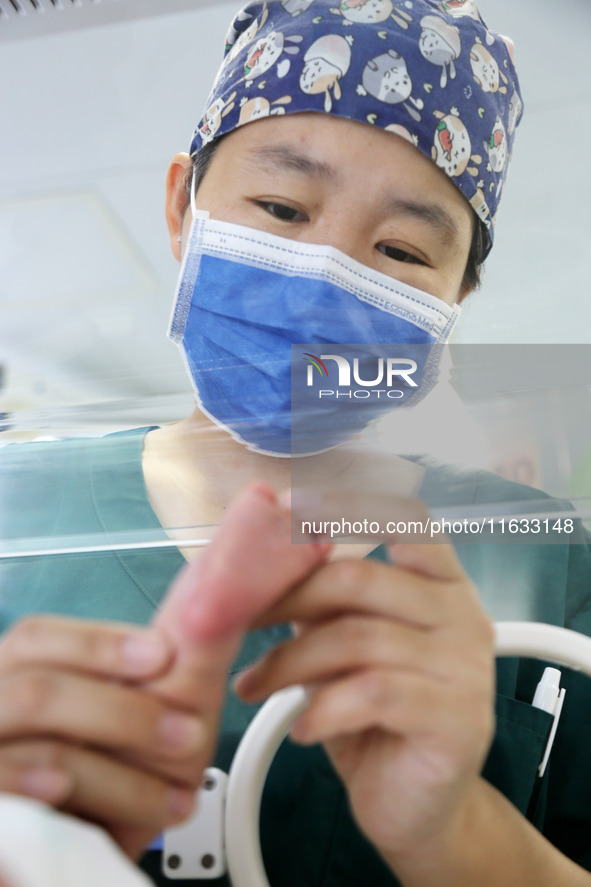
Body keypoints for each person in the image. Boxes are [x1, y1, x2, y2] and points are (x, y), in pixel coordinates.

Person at [1, 1, 591, 885]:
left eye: (399, 249)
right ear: (181, 207)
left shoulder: (545, 560)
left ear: (450, 305)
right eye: (280, 206)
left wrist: (453, 829)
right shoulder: (21, 511)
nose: (324, 281)